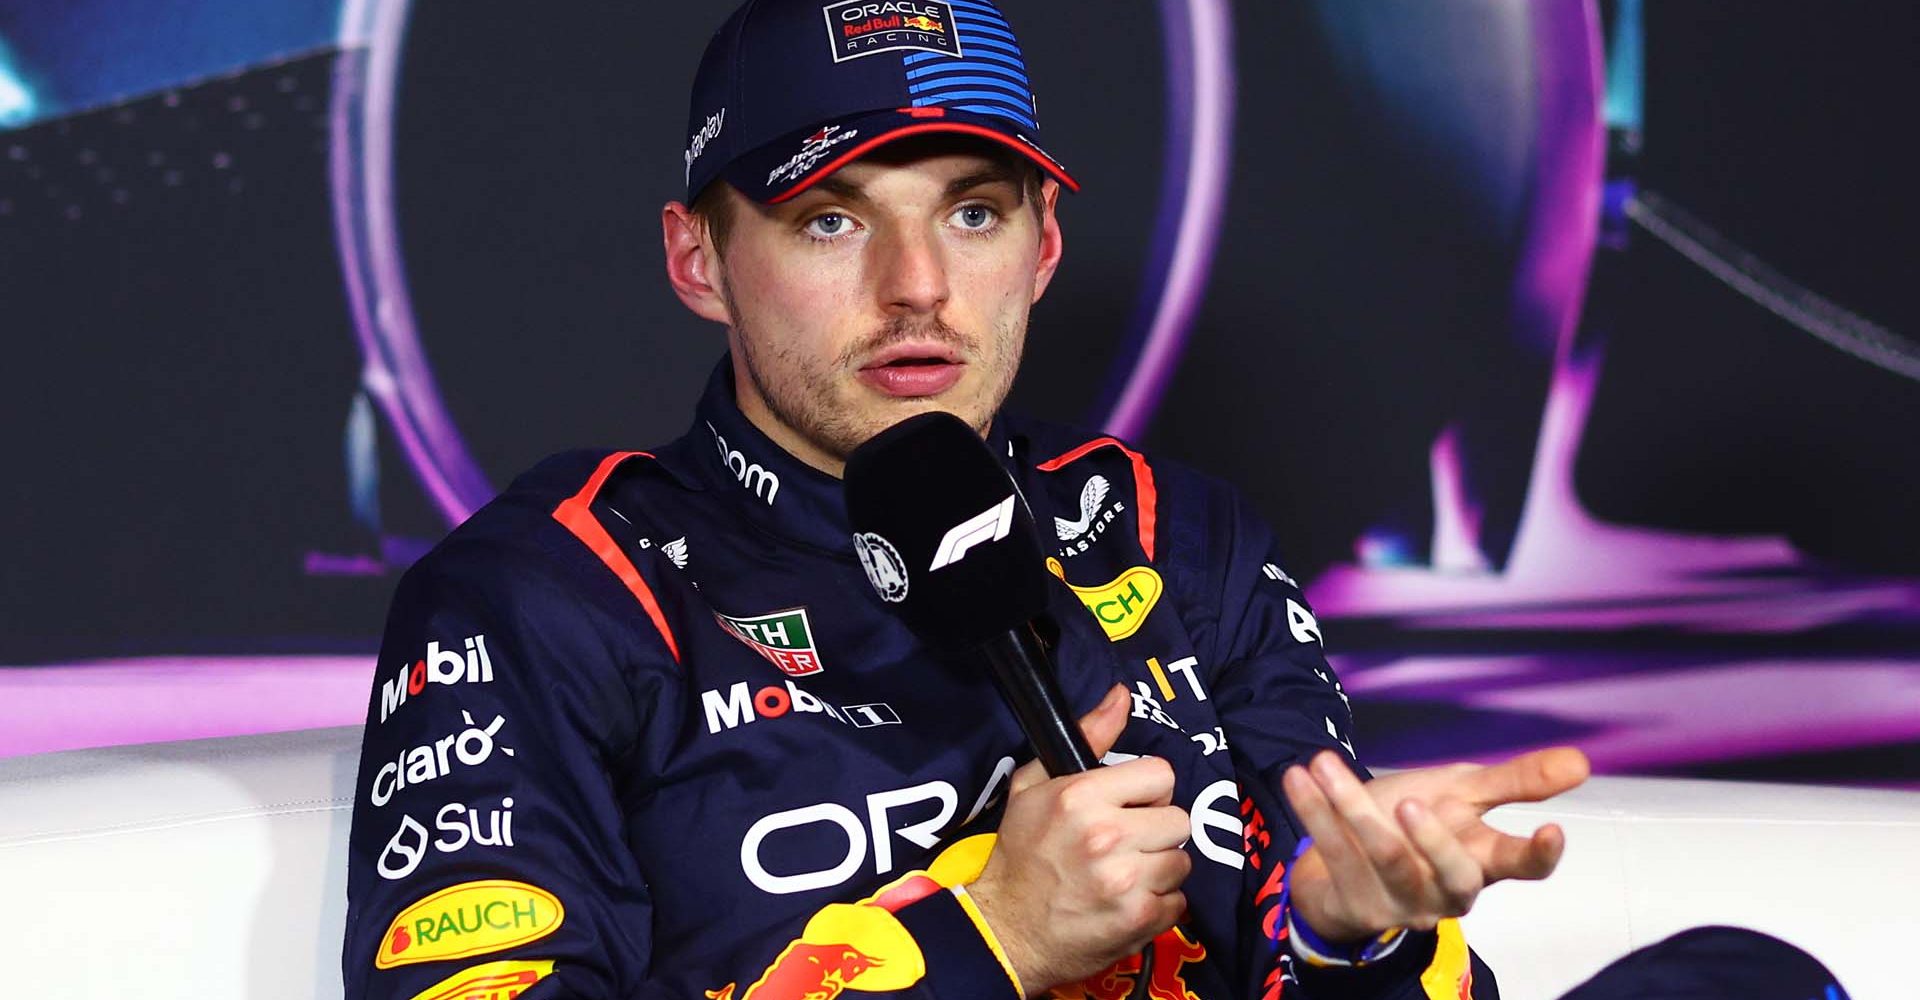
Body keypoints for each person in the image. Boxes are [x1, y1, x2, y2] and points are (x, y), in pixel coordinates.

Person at [342, 2, 1846, 998]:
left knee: (1749, 978)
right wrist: (984, 940)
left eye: (973, 213)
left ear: (1045, 248)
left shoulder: (1172, 531)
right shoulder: (547, 594)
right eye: (830, 218)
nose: (919, 288)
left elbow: (1326, 932)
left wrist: (1347, 929)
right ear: (697, 260)